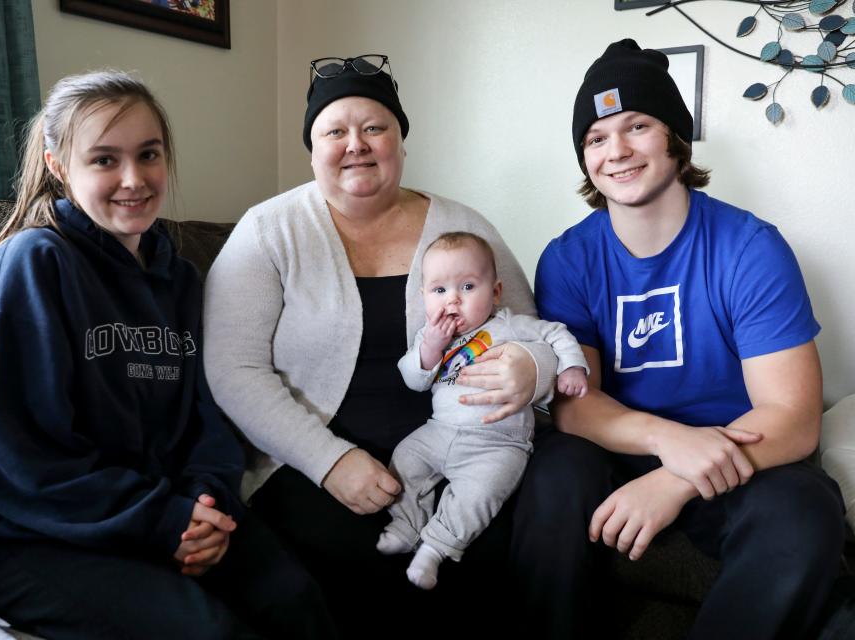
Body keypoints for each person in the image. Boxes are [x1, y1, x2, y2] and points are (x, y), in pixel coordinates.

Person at [0, 70, 334, 640]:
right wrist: (165, 522)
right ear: (58, 165)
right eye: (104, 160)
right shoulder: (30, 266)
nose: (133, 179)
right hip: (15, 532)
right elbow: (21, 462)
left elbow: (207, 420)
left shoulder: (183, 279)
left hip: (158, 510)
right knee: (208, 633)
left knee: (296, 601)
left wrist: (202, 509)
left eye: (148, 155)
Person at [203, 55, 558, 637]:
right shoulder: (268, 230)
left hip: (464, 449)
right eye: (334, 131)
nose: (356, 145)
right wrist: (331, 462)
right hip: (310, 465)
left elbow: (526, 330)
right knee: (368, 570)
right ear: (311, 148)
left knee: (494, 556)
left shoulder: (463, 225)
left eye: (375, 128)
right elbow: (232, 368)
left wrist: (533, 367)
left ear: (401, 140)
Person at [503, 39, 846, 639]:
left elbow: (793, 418)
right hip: (619, 448)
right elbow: (575, 403)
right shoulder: (567, 258)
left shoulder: (750, 248)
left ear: (676, 139)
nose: (618, 151)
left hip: (737, 454)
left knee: (806, 508)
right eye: (597, 138)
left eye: (637, 126)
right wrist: (665, 441)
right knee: (553, 467)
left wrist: (678, 475)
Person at [378, 231, 588, 590]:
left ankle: (435, 549)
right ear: (423, 297)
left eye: (468, 287)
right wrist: (429, 349)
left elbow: (556, 333)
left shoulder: (510, 325)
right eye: (439, 291)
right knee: (404, 460)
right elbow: (414, 379)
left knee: (480, 494)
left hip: (498, 442)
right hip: (439, 430)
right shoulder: (430, 337)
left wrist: (571, 367)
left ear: (495, 292)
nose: (453, 301)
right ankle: (407, 524)